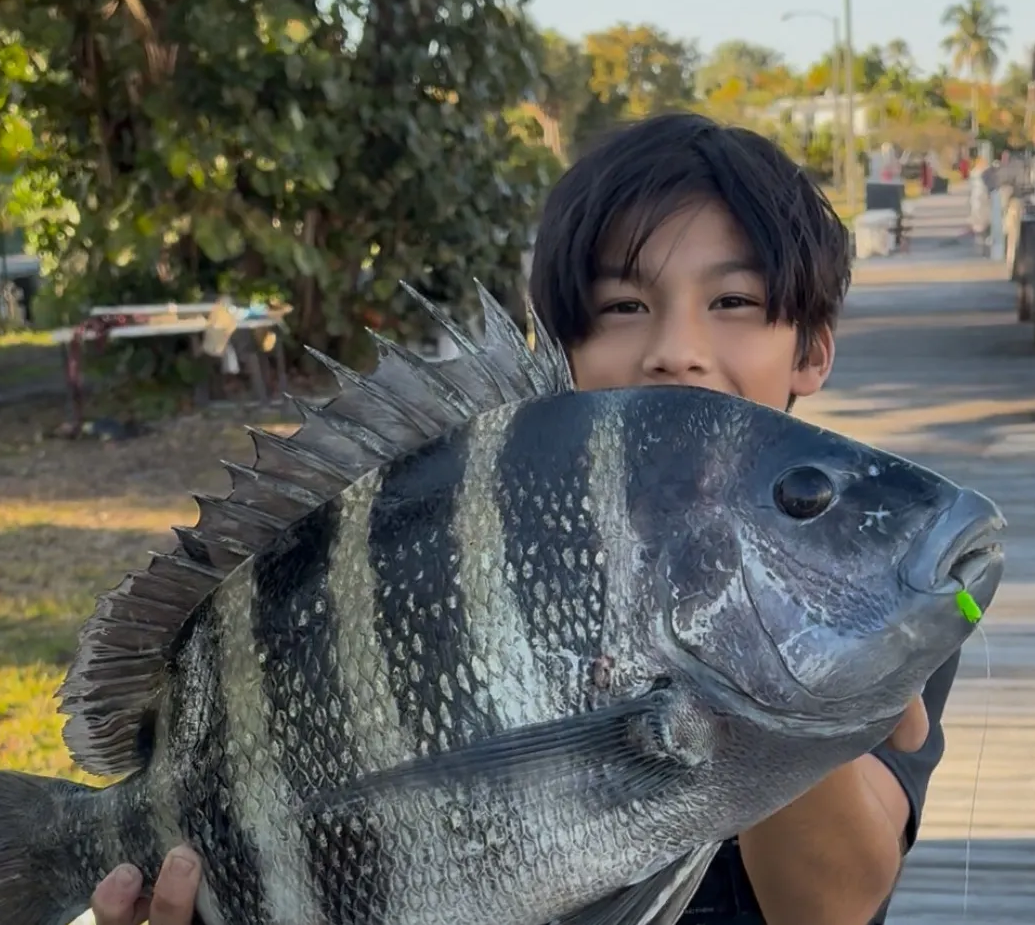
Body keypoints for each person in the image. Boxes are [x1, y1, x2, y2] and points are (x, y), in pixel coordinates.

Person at [91, 112, 956, 925]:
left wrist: (803, 684)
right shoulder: (469, 516)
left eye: (733, 301)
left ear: (812, 347)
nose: (676, 348)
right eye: (623, 306)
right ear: (561, 341)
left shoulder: (854, 564)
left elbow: (831, 907)